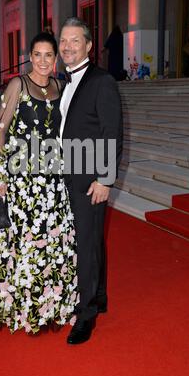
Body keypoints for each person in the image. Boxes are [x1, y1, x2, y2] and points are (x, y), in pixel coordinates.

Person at [0, 32, 78, 334]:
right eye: (37, 54)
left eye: (49, 55)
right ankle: (16, 306)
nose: (43, 61)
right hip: (21, 178)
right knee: (21, 242)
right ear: (29, 56)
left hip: (53, 179)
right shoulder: (17, 85)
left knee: (51, 241)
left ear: (55, 58)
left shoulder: (60, 86)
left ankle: (50, 307)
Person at [59, 17, 123, 345]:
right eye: (63, 42)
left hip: (90, 179)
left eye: (74, 41)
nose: (68, 47)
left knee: (86, 244)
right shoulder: (61, 82)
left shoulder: (102, 81)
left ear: (87, 45)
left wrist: (105, 180)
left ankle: (85, 316)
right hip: (68, 173)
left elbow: (112, 133)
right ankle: (99, 297)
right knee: (92, 239)